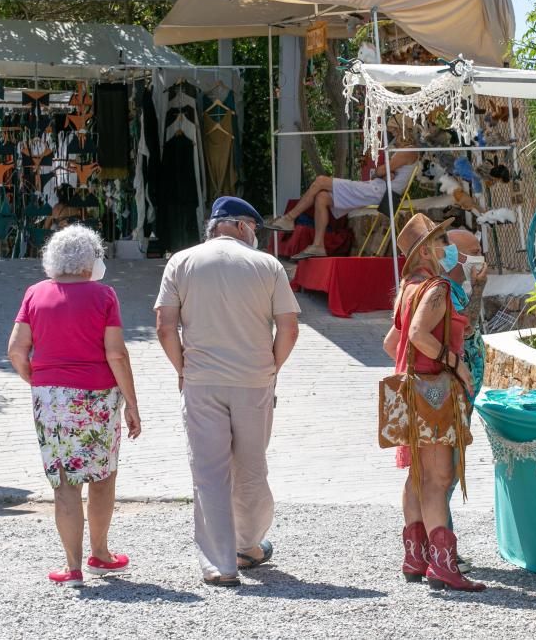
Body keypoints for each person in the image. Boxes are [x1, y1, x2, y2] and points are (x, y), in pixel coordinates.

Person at [154, 196, 301, 587]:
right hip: (254, 379)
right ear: (238, 225)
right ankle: (249, 543)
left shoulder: (181, 262)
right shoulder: (268, 266)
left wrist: (182, 369)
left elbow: (165, 326)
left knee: (209, 473)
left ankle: (220, 564)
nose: (255, 235)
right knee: (252, 467)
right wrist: (272, 366)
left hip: (201, 380)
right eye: (254, 228)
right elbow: (289, 328)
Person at [7, 225, 142, 587]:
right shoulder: (104, 295)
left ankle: (73, 568)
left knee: (65, 483)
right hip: (96, 397)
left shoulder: (34, 293)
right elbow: (115, 352)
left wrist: (39, 382)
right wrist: (131, 402)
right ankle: (101, 555)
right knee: (102, 476)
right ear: (90, 261)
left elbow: (16, 350)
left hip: (50, 398)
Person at [381, 213, 486, 592]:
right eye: (441, 241)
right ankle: (443, 566)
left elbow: (392, 344)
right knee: (439, 479)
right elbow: (421, 336)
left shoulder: (408, 288)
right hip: (435, 393)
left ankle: (416, 556)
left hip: (411, 392)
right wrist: (454, 361)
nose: (448, 248)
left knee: (419, 476)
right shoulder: (437, 288)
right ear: (427, 249)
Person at [263, 131, 420, 261]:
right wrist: (384, 172)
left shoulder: (408, 151)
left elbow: (379, 171)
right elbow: (382, 172)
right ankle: (318, 245)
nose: (393, 137)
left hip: (379, 191)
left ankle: (289, 219)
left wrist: (383, 172)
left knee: (320, 181)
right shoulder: (406, 152)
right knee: (322, 197)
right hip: (377, 189)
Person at [443, 228, 489, 573]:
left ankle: (436, 543)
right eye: (474, 250)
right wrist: (481, 289)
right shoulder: (448, 292)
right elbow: (467, 327)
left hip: (462, 393)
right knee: (444, 473)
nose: (480, 256)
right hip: (450, 393)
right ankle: (440, 544)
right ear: (454, 256)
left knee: (446, 472)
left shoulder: (456, 289)